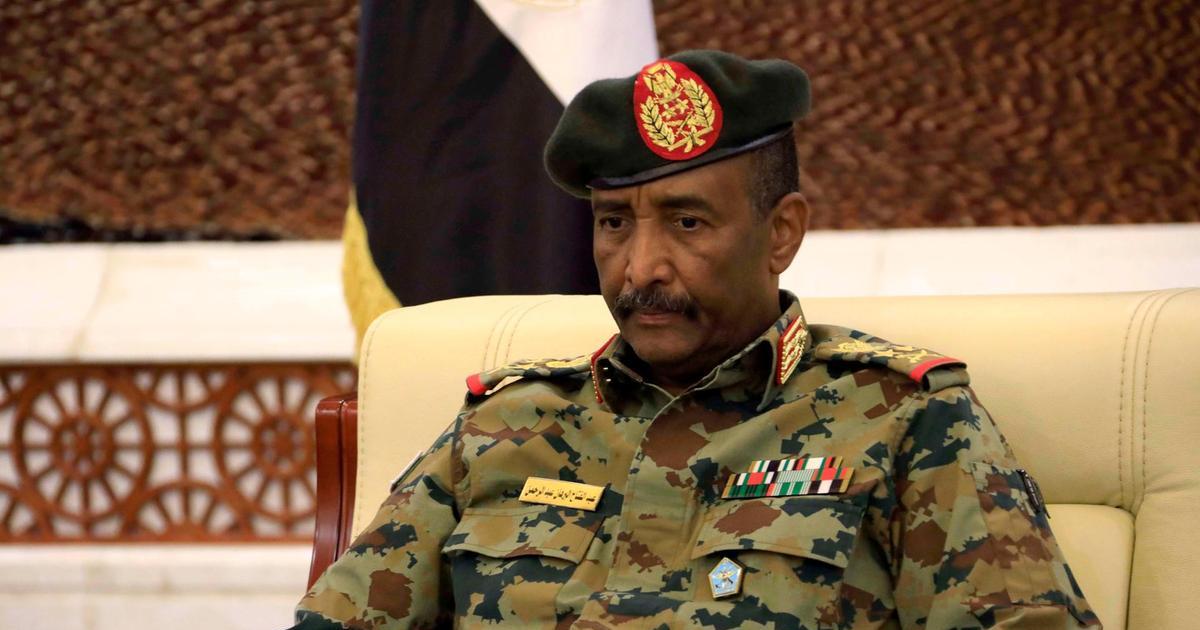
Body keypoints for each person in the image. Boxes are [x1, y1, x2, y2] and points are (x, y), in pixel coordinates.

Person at [292, 50, 1100, 629]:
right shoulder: (502, 426)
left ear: (781, 234)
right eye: (614, 223)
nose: (641, 267)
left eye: (686, 223)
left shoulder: (901, 421)